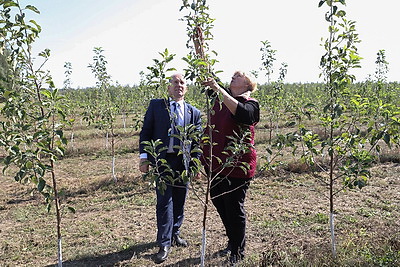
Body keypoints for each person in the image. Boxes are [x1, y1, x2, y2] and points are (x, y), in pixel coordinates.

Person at [139, 73, 202, 264]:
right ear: (168, 88)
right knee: (164, 201)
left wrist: (196, 164)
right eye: (175, 82)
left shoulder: (194, 112)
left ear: (186, 88)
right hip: (162, 160)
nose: (179, 85)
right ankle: (164, 243)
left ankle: (175, 233)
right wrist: (144, 158)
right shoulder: (157, 106)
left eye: (182, 83)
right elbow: (146, 132)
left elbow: (197, 142)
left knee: (180, 199)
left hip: (183, 161)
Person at [201, 71, 259, 265]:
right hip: (217, 164)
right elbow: (206, 72)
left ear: (248, 84)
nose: (233, 77)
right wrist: (198, 43)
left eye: (239, 76)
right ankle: (233, 240)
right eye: (233, 75)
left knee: (234, 207)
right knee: (218, 200)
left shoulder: (251, 104)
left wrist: (218, 89)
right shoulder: (222, 97)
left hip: (237, 165)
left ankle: (238, 250)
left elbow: (243, 114)